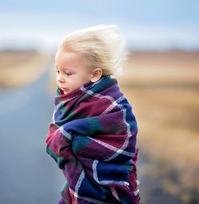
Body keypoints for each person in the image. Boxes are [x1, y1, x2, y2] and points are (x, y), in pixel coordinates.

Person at [45, 25, 140, 204]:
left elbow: (124, 138)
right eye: (58, 71)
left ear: (95, 75)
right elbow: (55, 137)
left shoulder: (112, 104)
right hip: (76, 190)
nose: (59, 78)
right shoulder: (69, 100)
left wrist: (72, 139)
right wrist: (63, 138)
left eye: (68, 73)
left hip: (108, 185)